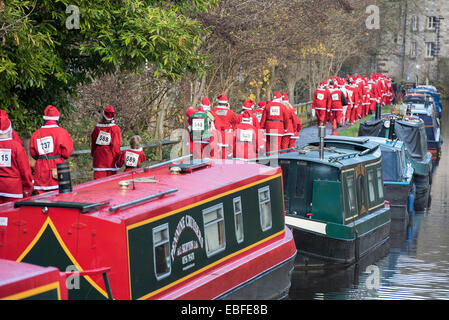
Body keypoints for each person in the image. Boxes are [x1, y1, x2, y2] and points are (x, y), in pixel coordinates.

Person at [29, 105, 74, 193]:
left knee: (42, 200)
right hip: (58, 168)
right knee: (60, 198)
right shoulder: (62, 132)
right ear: (57, 119)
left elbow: (33, 153)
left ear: (45, 119)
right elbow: (67, 153)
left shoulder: (36, 133)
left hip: (41, 170)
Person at [0, 116, 33, 203]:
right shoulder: (16, 146)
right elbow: (25, 170)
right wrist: (27, 189)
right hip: (13, 190)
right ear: (9, 129)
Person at [91, 105, 121, 179]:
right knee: (110, 183)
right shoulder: (115, 128)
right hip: (110, 158)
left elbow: (93, 143)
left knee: (99, 182)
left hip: (99, 158)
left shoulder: (97, 128)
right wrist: (117, 158)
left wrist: (93, 153)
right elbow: (115, 145)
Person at [210, 94, 238, 159]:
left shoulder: (213, 110)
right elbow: (236, 122)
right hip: (226, 135)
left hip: (215, 134)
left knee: (215, 154)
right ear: (226, 103)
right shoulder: (230, 112)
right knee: (224, 154)